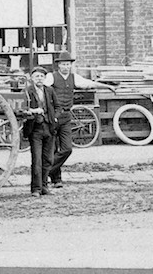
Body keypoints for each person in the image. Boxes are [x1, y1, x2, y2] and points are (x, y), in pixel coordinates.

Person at [44, 51, 117, 188]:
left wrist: (107, 86)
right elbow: (41, 87)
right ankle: (56, 180)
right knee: (53, 148)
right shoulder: (51, 77)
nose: (66, 67)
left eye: (68, 64)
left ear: (70, 65)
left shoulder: (74, 78)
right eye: (63, 64)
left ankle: (46, 171)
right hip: (52, 115)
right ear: (58, 65)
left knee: (67, 149)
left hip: (66, 116)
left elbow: (89, 84)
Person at [23, 66, 59, 197]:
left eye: (42, 76)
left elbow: (58, 107)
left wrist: (55, 117)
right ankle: (36, 189)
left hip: (49, 128)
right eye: (37, 76)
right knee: (37, 161)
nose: (39, 79)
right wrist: (33, 111)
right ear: (32, 78)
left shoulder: (50, 90)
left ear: (45, 78)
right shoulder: (28, 91)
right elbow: (23, 108)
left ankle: (44, 186)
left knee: (48, 159)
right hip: (35, 129)